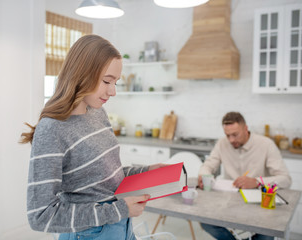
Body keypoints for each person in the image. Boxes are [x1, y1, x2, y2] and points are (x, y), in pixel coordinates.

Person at [20, 34, 165, 240]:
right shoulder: (52, 129)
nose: (112, 91)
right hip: (90, 233)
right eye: (107, 81)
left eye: (115, 82)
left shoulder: (97, 112)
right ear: (82, 74)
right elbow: (40, 216)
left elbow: (103, 177)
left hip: (121, 227)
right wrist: (118, 210)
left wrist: (146, 172)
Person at [198, 111, 291, 240]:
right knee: (206, 222)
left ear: (246, 129)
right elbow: (208, 165)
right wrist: (204, 175)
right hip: (229, 202)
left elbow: (285, 179)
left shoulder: (266, 144)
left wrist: (257, 182)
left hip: (259, 205)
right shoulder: (222, 143)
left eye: (235, 135)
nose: (231, 140)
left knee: (267, 233)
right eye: (227, 135)